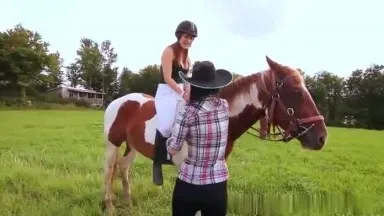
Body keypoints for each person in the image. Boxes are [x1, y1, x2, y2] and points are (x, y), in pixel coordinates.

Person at [166, 61, 233, 216]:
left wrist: (168, 142)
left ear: (193, 85)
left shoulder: (187, 111)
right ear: (215, 85)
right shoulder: (224, 105)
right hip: (217, 184)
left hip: (189, 183)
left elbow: (174, 148)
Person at [153, 20, 198, 186]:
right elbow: (167, 77)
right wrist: (181, 92)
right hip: (166, 91)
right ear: (180, 35)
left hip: (181, 91)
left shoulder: (189, 59)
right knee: (165, 126)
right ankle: (157, 163)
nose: (189, 40)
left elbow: (187, 81)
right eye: (187, 36)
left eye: (192, 38)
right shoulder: (169, 51)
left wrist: (188, 92)